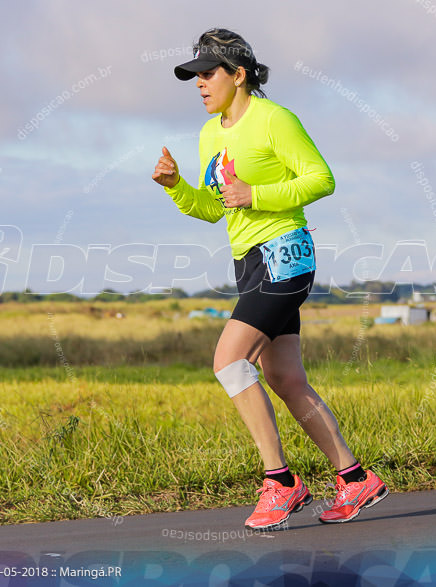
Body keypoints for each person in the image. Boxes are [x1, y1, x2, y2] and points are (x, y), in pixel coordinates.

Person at [151, 28, 388, 530]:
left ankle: (280, 482)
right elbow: (216, 208)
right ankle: (354, 478)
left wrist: (257, 196)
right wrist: (176, 187)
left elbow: (321, 178)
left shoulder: (275, 120)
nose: (199, 83)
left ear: (239, 74)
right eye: (194, 75)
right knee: (283, 376)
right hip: (248, 263)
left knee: (229, 361)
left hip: (286, 253)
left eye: (208, 73)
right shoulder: (210, 133)